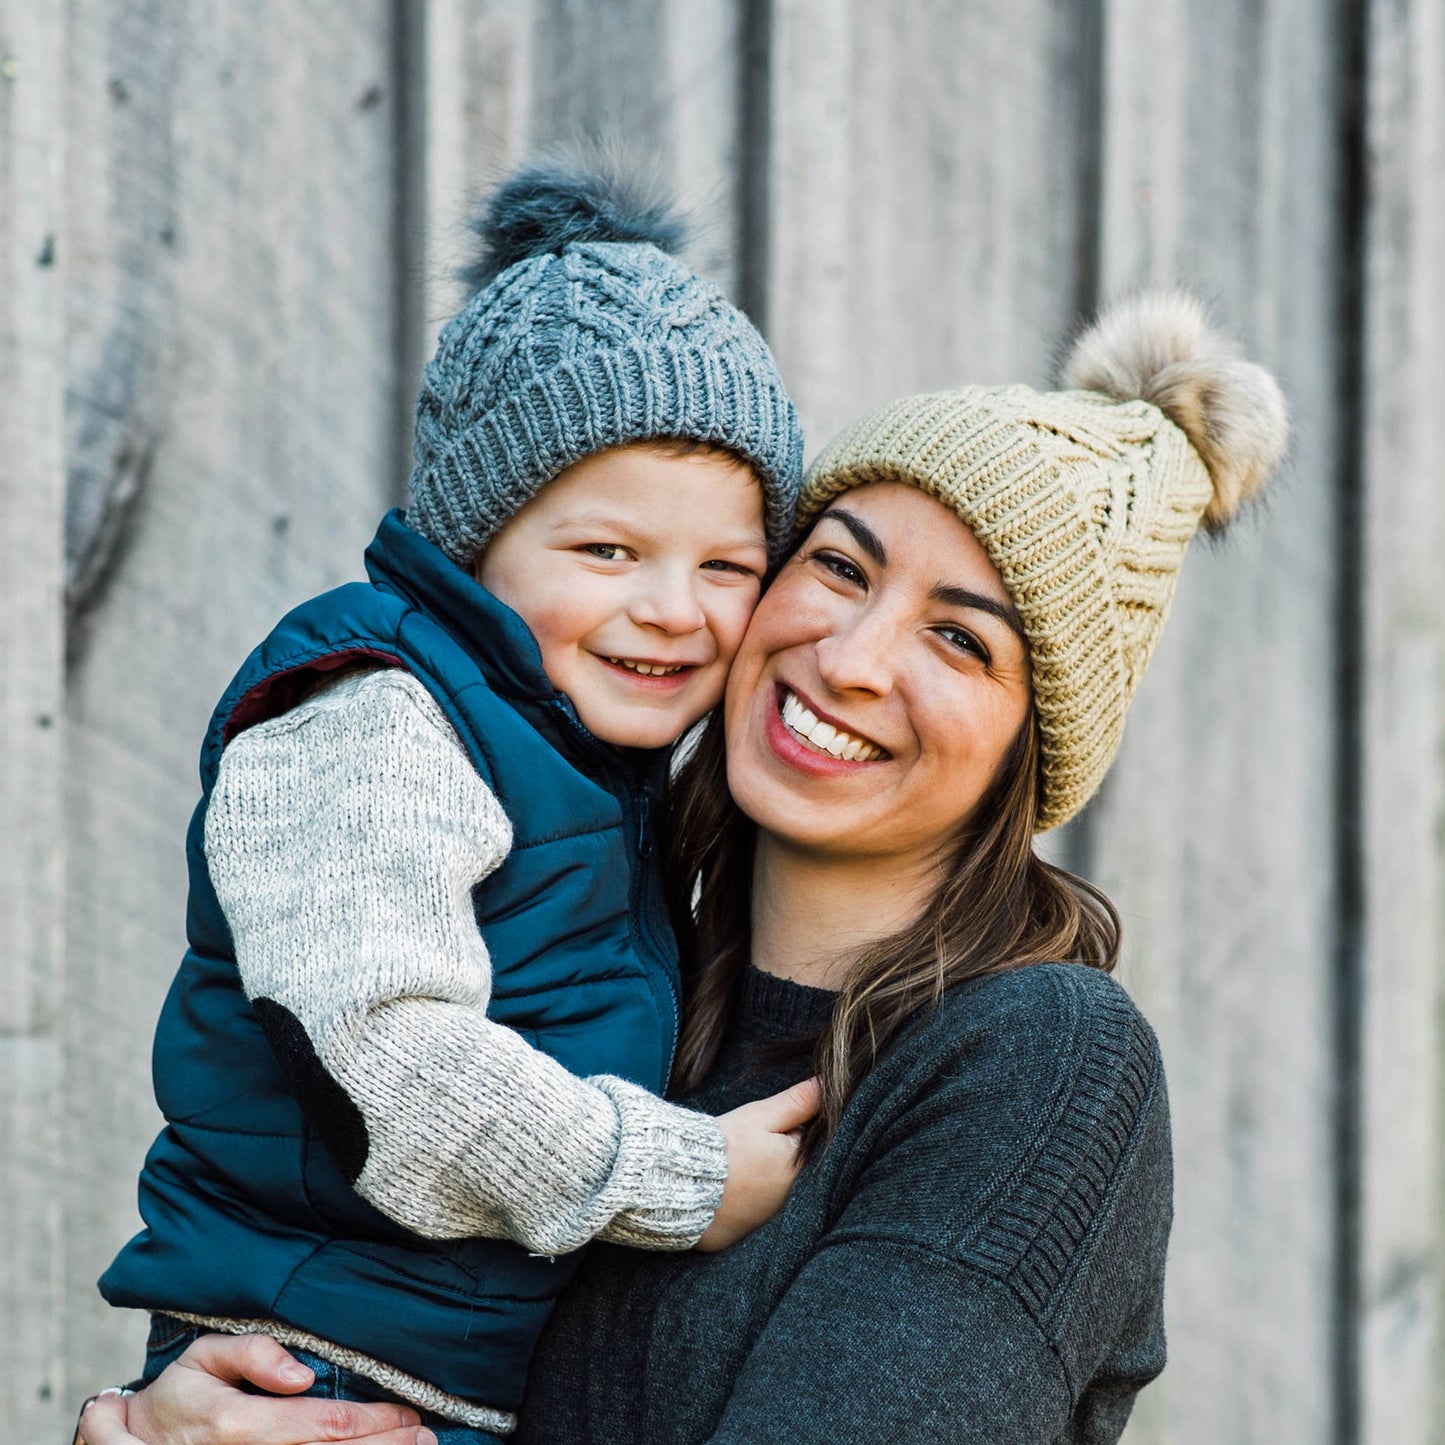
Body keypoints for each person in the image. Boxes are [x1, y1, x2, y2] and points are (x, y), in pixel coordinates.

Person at [80, 290, 1288, 1444]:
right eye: (839, 566)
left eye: (959, 639)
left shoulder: (1035, 1065)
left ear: (1031, 750)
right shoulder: (598, 1014)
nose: (854, 656)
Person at [92, 163, 814, 1445]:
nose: (673, 606)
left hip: (451, 1372)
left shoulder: (588, 755)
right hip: (316, 1370)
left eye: (726, 565)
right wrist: (683, 1178)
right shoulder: (377, 714)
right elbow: (387, 1060)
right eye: (608, 551)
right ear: (478, 541)